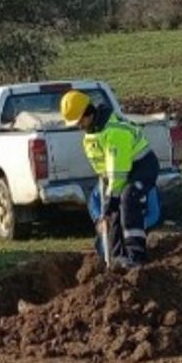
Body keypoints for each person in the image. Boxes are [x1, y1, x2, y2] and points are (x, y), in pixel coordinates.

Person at [60, 90, 158, 269]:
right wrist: (108, 195)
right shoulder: (90, 136)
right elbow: (105, 170)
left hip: (142, 167)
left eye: (80, 121)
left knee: (128, 199)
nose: (79, 126)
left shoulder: (115, 132)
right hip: (117, 174)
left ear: (88, 114)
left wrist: (112, 197)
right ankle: (115, 257)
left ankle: (136, 256)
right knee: (111, 211)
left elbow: (118, 172)